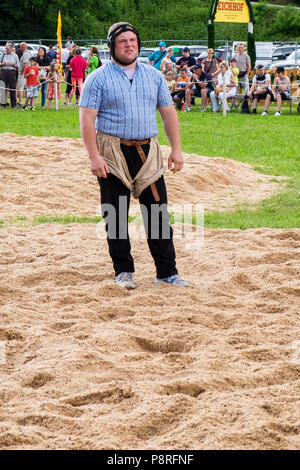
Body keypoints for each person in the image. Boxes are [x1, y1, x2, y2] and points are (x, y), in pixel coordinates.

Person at [79, 22, 188, 289]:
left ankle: (166, 271)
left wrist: (176, 149)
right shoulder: (98, 78)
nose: (129, 45)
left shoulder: (153, 76)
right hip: (112, 152)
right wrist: (94, 157)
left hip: (148, 151)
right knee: (115, 215)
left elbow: (168, 113)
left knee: (158, 213)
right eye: (123, 42)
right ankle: (124, 271)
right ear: (112, 47)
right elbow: (86, 119)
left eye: (133, 40)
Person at [0, 42, 20, 108]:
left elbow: (18, 65)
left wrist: (12, 64)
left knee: (12, 88)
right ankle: (3, 104)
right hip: (4, 72)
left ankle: (13, 105)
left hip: (12, 72)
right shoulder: (2, 55)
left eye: (8, 48)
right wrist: (3, 63)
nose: (6, 50)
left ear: (11, 48)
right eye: (6, 48)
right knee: (3, 88)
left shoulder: (15, 55)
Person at [17, 42, 31, 107]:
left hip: (24, 73)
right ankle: (26, 102)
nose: (19, 48)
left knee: (20, 87)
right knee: (26, 88)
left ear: (23, 47)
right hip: (27, 73)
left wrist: (22, 73)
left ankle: (20, 102)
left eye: (20, 47)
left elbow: (25, 64)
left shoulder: (25, 54)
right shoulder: (28, 53)